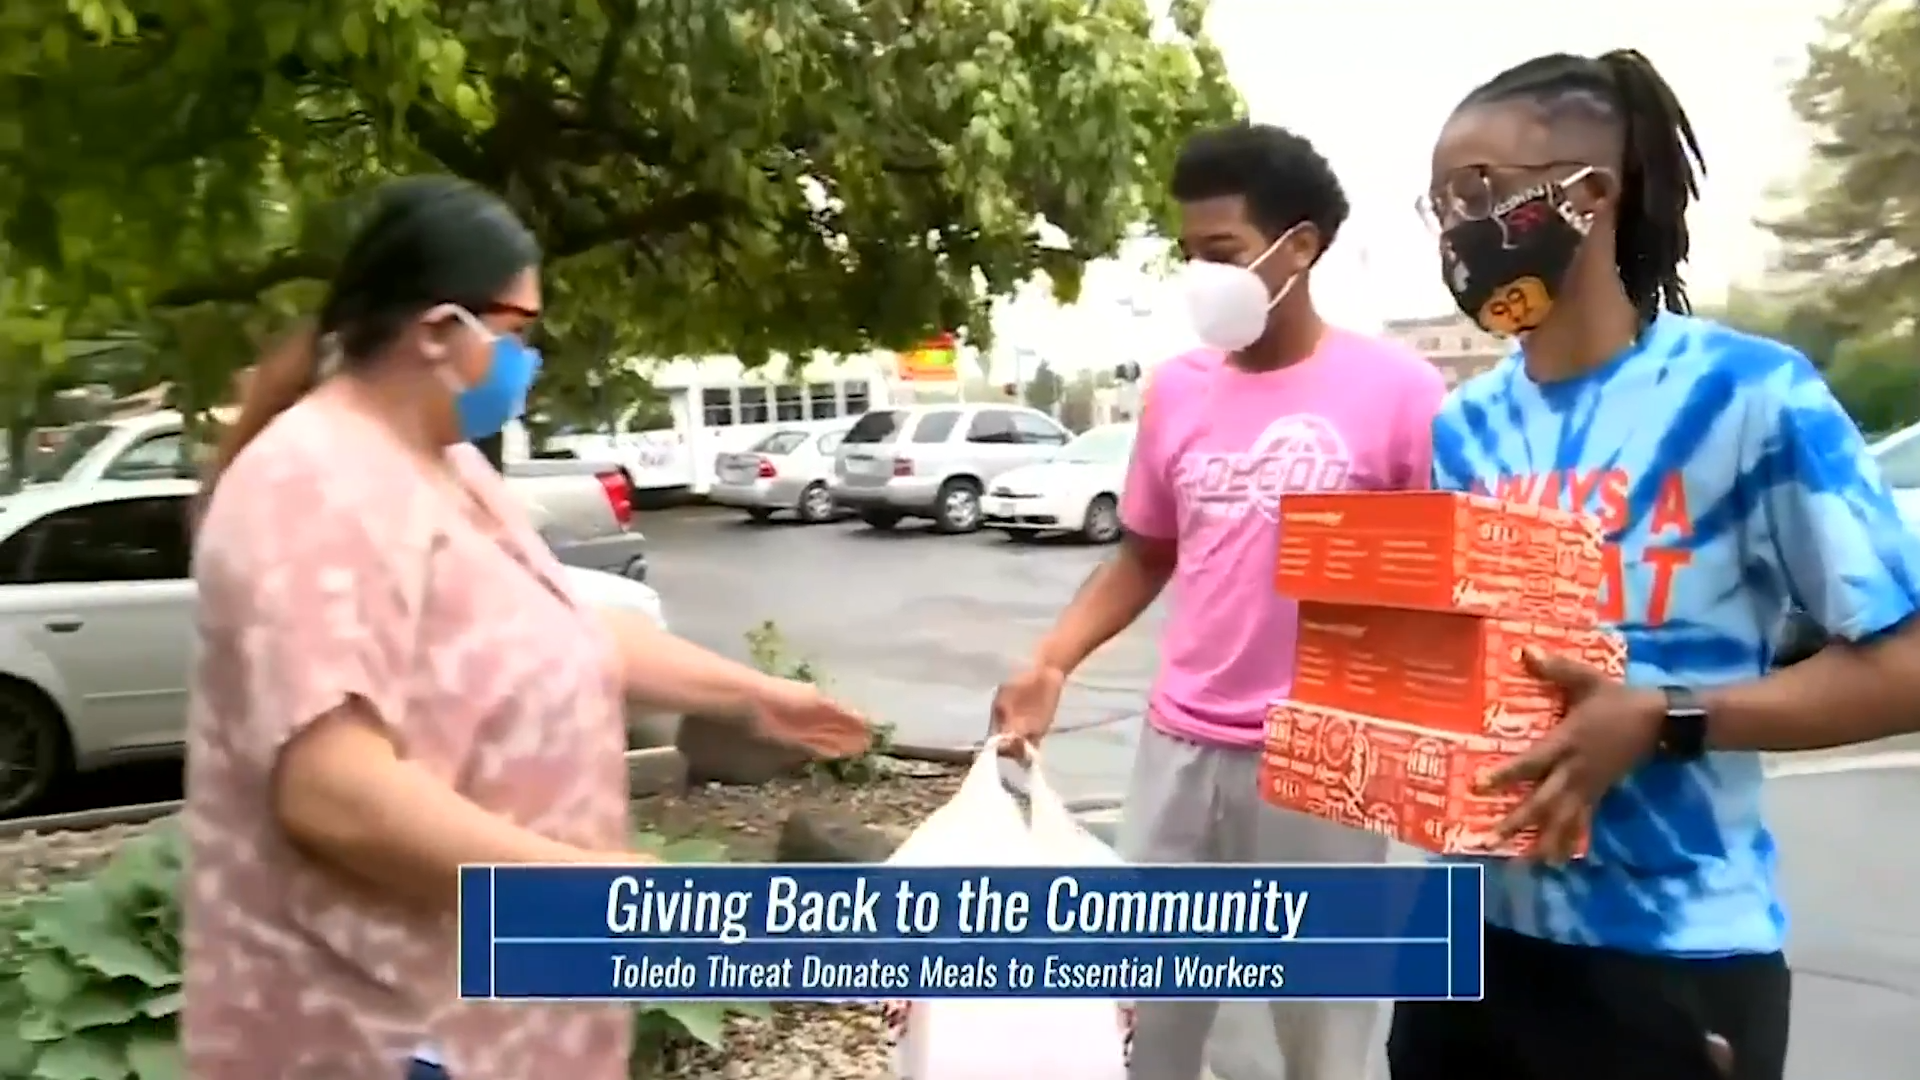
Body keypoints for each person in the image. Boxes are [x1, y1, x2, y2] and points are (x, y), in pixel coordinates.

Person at [182, 176, 870, 1080]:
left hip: (496, 1007)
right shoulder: (309, 486)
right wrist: (600, 893)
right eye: (517, 334)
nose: (527, 363)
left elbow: (551, 627)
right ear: (439, 332)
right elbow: (333, 792)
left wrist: (755, 697)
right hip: (383, 1027)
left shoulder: (446, 465)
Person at [1391, 48, 1920, 1080]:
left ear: (1589, 196)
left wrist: (1665, 716)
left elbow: (1905, 667)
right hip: (1463, 940)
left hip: (1670, 964)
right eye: (1440, 203)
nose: (1457, 228)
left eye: (1480, 192)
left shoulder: (1750, 397)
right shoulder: (1463, 426)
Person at [992, 123, 1448, 1080]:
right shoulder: (1178, 391)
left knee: (1321, 1036)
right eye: (1189, 255)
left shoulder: (1400, 392)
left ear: (1301, 245)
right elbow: (1145, 554)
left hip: (1328, 761)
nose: (1201, 278)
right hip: (1180, 749)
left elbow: (1443, 585)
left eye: (1222, 254)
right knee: (1146, 1025)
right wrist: (1051, 661)